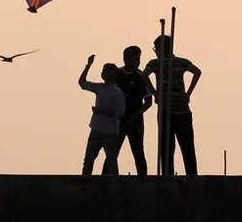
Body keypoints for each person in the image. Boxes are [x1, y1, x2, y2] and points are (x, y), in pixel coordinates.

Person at [143, 34, 202, 175]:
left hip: (176, 112)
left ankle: (185, 177)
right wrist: (157, 94)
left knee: (174, 148)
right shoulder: (163, 63)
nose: (155, 51)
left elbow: (144, 75)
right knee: (174, 148)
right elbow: (197, 72)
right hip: (167, 110)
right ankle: (174, 176)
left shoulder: (158, 64)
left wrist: (155, 93)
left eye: (156, 48)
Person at [101, 46, 155, 176]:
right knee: (112, 153)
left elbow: (149, 102)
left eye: (138, 59)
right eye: (134, 59)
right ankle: (104, 181)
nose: (137, 62)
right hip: (117, 121)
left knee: (138, 152)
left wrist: (134, 116)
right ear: (125, 59)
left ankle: (143, 182)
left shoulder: (142, 77)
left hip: (135, 122)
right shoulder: (117, 75)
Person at [78, 55, 126, 175]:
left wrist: (101, 112)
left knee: (111, 161)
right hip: (96, 129)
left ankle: (115, 184)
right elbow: (82, 83)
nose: (103, 73)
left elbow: (119, 113)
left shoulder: (117, 93)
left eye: (106, 71)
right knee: (88, 159)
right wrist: (88, 65)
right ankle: (85, 183)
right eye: (103, 70)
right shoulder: (99, 88)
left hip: (110, 133)